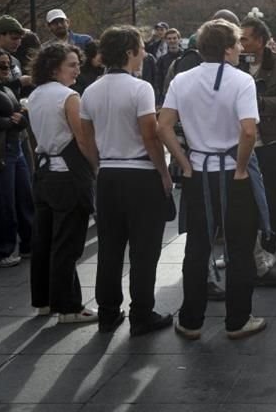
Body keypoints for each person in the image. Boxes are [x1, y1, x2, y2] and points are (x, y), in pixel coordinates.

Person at [157, 19, 267, 340]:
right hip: (233, 171)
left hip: (199, 170)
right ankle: (238, 319)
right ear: (229, 48)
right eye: (238, 44)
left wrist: (183, 162)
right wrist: (243, 166)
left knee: (198, 247)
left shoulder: (181, 79)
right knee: (240, 248)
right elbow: (248, 130)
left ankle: (191, 320)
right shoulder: (242, 80)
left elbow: (163, 126)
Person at [79, 26, 173, 336]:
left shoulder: (90, 90)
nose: (145, 53)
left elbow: (86, 138)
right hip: (140, 174)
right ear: (130, 52)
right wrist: (163, 172)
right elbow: (149, 134)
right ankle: (142, 313)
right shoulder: (140, 88)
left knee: (110, 248)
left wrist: (98, 167)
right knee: (144, 250)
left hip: (108, 174)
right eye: (142, 48)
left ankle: (107, 313)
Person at [27, 43, 98, 323]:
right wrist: (95, 167)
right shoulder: (69, 97)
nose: (77, 69)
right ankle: (68, 307)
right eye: (72, 65)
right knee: (67, 242)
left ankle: (43, 301)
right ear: (54, 68)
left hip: (44, 173)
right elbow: (82, 139)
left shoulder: (34, 95)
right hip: (67, 175)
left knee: (43, 240)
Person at [239, 16, 276, 275]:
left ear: (260, 41)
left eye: (245, 38)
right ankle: (244, 250)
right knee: (243, 197)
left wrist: (259, 103)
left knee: (272, 195)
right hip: (241, 142)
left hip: (271, 140)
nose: (240, 43)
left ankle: (269, 246)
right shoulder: (234, 64)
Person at [0, 48, 33, 268]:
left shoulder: (5, 88)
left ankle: (29, 243)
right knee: (2, 203)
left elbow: (20, 113)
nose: (7, 69)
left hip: (15, 147)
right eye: (2, 65)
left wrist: (18, 118)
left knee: (24, 199)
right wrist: (14, 120)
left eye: (9, 65)